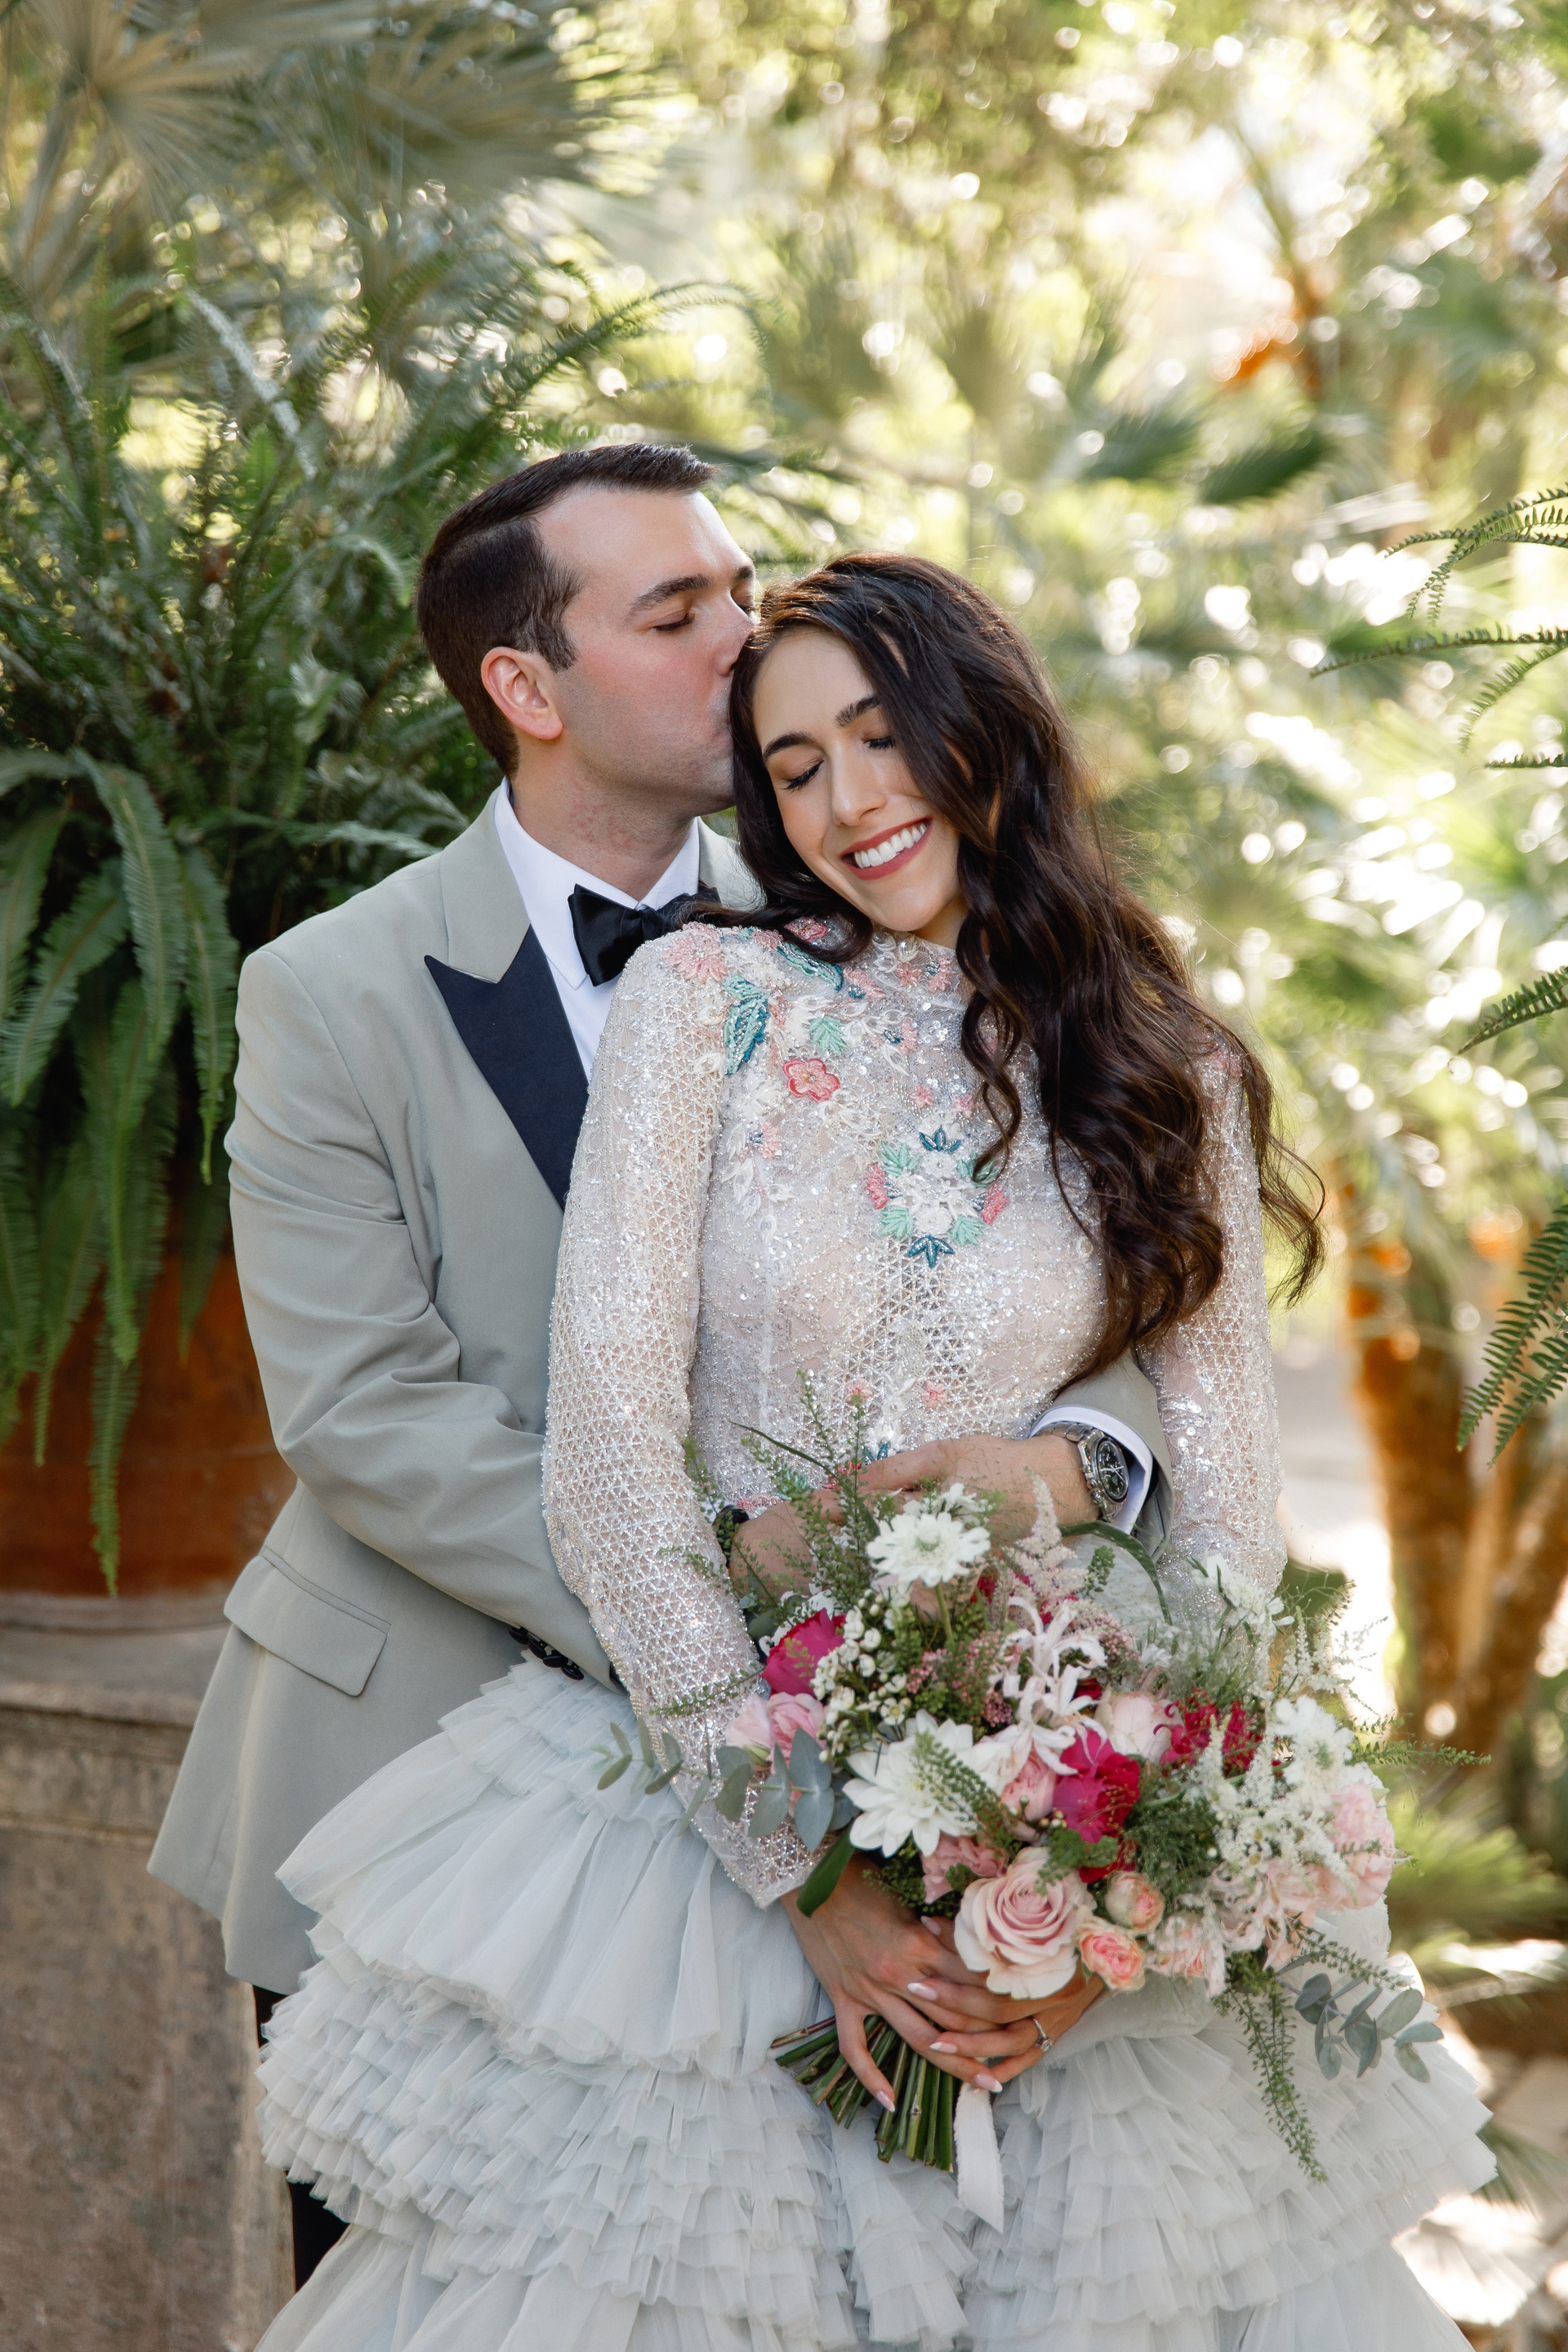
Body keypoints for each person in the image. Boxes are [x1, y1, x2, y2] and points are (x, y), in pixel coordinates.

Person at [247, 550, 1493, 2350]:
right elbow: (611, 1460)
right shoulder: (708, 1000)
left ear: (983, 723)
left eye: (881, 733)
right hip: (712, 1816)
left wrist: (1105, 1922)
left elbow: (1228, 1518)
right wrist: (809, 1878)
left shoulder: (1171, 1064)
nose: (850, 799)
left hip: (1068, 1803)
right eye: (797, 765)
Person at [148, 450, 1162, 2288]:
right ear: (526, 688)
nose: (745, 638)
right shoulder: (330, 991)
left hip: (860, 1761)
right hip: (418, 1766)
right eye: (677, 610)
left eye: (743, 589)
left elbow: (1099, 1282)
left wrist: (1062, 1472)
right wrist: (732, 1592)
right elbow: (367, 1409)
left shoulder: (885, 910)